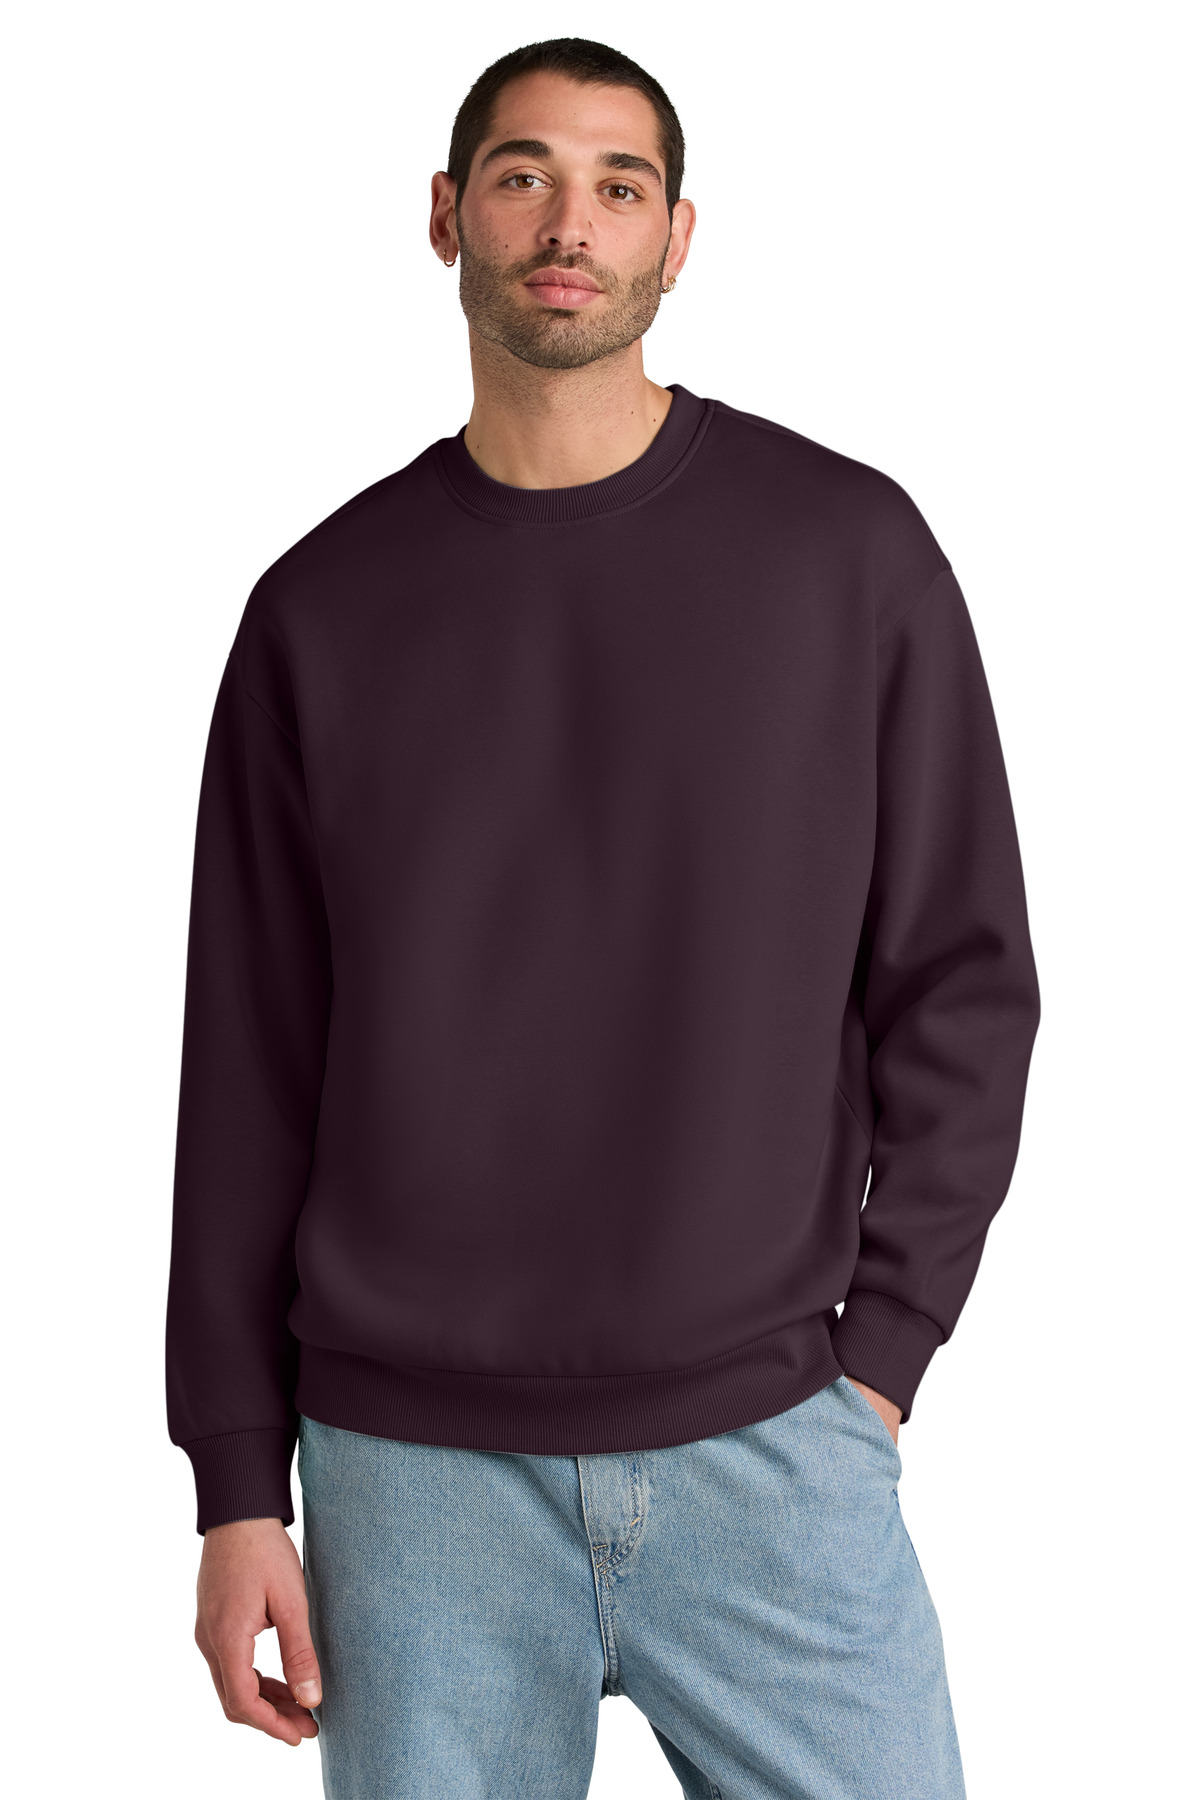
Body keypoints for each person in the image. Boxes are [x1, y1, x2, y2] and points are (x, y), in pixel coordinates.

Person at [167, 36, 1040, 1800]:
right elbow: (248, 1070)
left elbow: (962, 982)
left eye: (618, 186)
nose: (571, 224)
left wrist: (882, 1358)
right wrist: (239, 1479)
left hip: (772, 1444)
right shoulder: (320, 612)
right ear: (446, 217)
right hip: (410, 1480)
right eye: (524, 177)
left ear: (676, 237)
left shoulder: (848, 554)